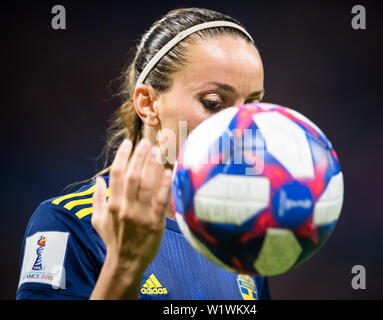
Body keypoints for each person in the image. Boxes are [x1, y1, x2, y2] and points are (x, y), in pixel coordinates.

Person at [16, 7, 270, 300]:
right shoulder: (68, 224)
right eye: (213, 102)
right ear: (148, 104)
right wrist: (123, 267)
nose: (242, 124)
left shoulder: (242, 235)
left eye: (252, 104)